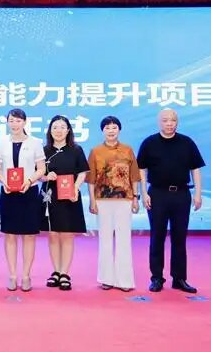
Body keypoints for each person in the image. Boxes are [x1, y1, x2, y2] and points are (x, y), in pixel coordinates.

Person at [137, 108, 205, 294]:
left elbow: (196, 169)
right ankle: (156, 278)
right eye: (165, 120)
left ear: (177, 122)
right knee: (157, 236)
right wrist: (144, 193)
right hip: (157, 194)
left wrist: (198, 194)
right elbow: (141, 169)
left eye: (173, 120)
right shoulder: (149, 143)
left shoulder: (187, 142)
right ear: (159, 122)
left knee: (179, 237)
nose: (169, 123)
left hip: (181, 194)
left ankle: (179, 278)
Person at [87, 116, 140, 292]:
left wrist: (135, 197)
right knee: (105, 239)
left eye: (114, 127)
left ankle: (124, 280)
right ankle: (106, 278)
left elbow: (134, 176)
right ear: (102, 131)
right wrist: (92, 201)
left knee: (124, 239)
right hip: (102, 200)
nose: (111, 131)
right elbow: (91, 179)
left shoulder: (127, 150)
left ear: (119, 130)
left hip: (125, 200)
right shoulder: (96, 151)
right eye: (107, 128)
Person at [0, 109, 45, 292]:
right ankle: (12, 275)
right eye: (11, 121)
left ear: (25, 122)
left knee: (29, 235)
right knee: (10, 235)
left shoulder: (35, 142)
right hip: (8, 192)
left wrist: (30, 181)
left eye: (18, 121)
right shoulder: (3, 142)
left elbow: (41, 169)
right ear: (7, 122)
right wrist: (4, 182)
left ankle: (25, 275)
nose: (14, 124)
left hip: (29, 192)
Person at [40, 115, 89, 291]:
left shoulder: (76, 149)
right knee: (53, 235)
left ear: (68, 130)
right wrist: (46, 176)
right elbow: (37, 173)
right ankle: (55, 271)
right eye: (55, 127)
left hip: (69, 196)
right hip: (50, 196)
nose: (58, 130)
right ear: (50, 131)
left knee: (67, 235)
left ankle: (64, 273)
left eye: (62, 127)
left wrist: (75, 187)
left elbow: (83, 172)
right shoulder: (44, 150)